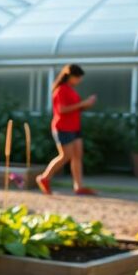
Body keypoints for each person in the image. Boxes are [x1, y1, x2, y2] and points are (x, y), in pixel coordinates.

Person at [37, 64, 97, 196]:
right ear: (70, 76)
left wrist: (86, 105)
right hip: (63, 127)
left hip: (75, 127)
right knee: (66, 156)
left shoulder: (70, 90)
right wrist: (83, 103)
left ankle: (79, 186)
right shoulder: (61, 90)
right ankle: (44, 178)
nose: (79, 81)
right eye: (78, 78)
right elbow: (62, 110)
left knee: (77, 156)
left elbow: (74, 108)